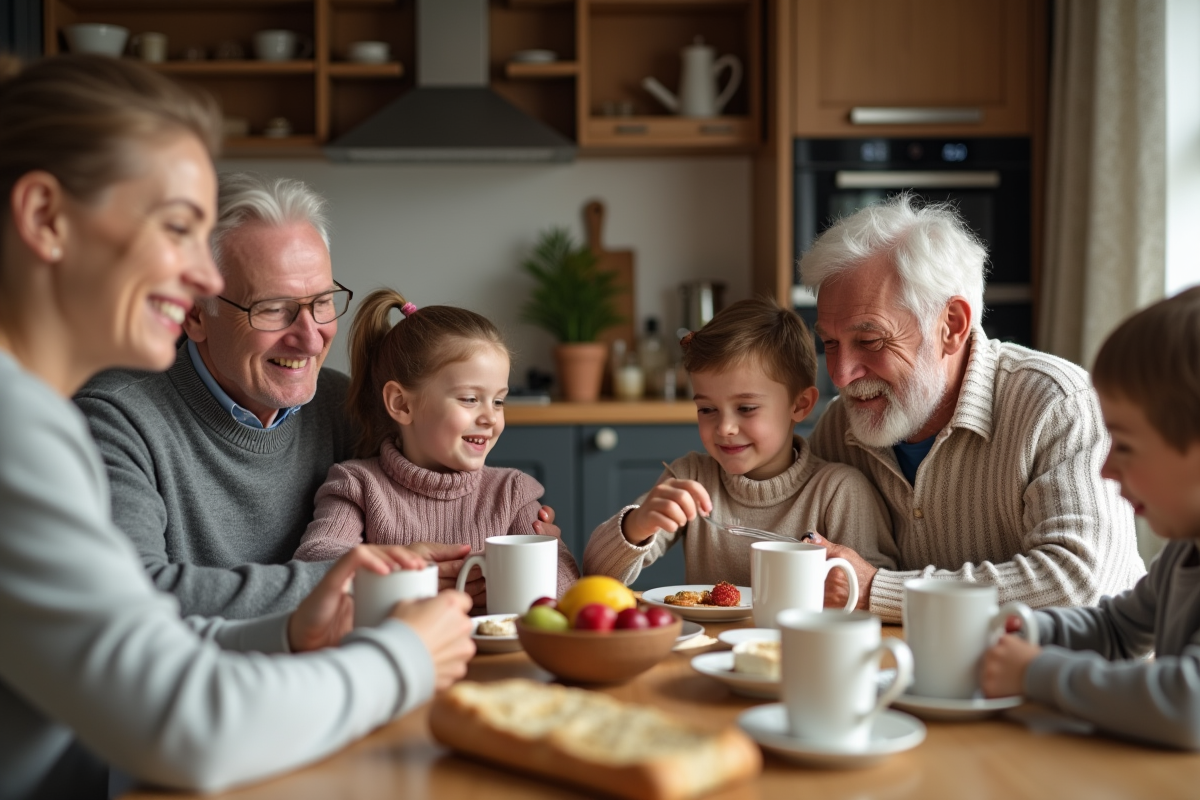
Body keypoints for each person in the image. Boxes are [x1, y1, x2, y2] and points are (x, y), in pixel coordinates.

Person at [0, 55, 474, 799]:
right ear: (45, 219)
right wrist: (403, 661)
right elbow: (184, 722)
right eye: (176, 227)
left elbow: (144, 649)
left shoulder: (28, 415)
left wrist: (288, 633)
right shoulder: (19, 432)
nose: (200, 276)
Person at [74, 171, 561, 618]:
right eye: (273, 309)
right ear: (195, 314)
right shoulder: (118, 419)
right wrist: (368, 580)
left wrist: (521, 548)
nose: (310, 338)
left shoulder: (343, 406)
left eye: (322, 303)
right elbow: (131, 594)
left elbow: (435, 508)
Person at [798, 193, 1145, 623]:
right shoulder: (840, 426)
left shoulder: (1057, 404)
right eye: (829, 343)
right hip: (917, 675)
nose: (840, 374)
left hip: (1074, 682)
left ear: (952, 326)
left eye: (870, 341)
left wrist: (877, 589)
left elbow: (1081, 583)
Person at [981, 288, 1200, 751]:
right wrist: (1036, 631)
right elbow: (1117, 631)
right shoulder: (1184, 553)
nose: (1105, 469)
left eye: (1124, 445)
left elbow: (1189, 707)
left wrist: (1035, 673)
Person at [583, 298, 899, 587]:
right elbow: (596, 575)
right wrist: (637, 525)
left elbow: (870, 593)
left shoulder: (839, 492)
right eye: (707, 409)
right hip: (708, 649)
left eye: (746, 408)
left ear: (800, 405)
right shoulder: (690, 478)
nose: (725, 428)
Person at [295, 290, 581, 601]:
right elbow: (315, 562)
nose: (490, 417)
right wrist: (407, 577)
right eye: (470, 399)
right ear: (401, 404)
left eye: (498, 401)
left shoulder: (512, 493)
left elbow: (566, 581)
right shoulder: (357, 486)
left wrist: (534, 566)